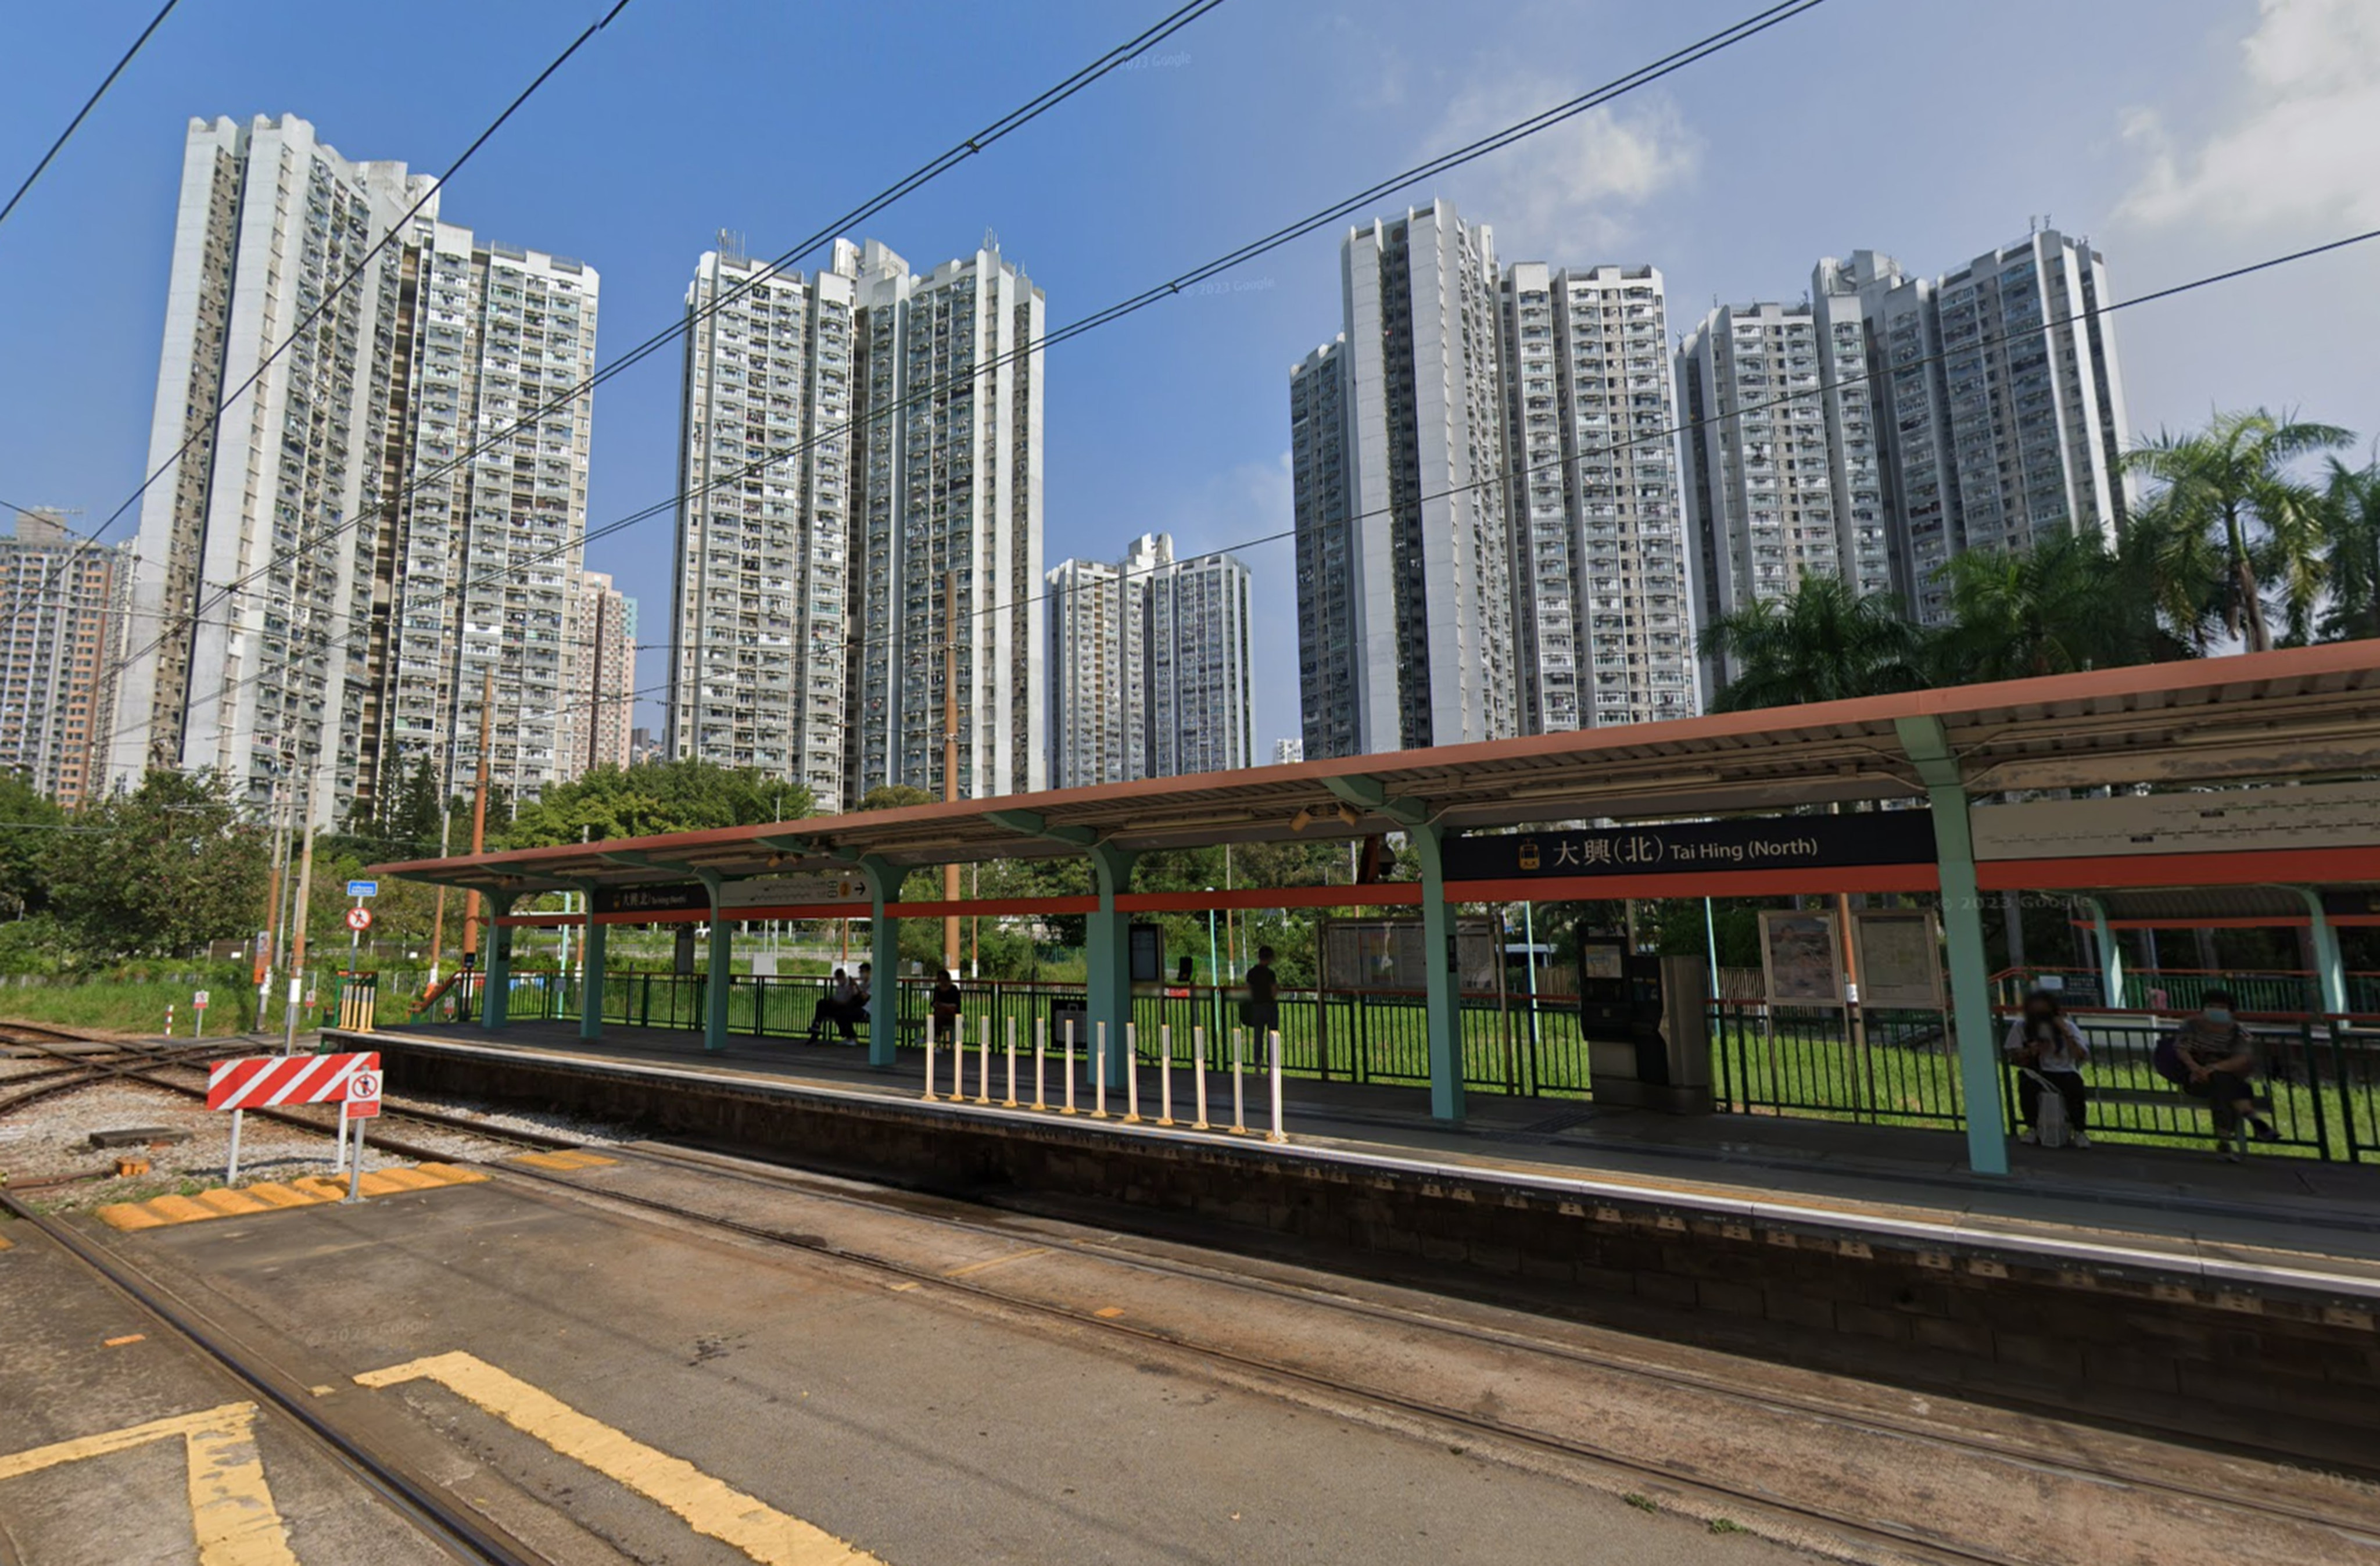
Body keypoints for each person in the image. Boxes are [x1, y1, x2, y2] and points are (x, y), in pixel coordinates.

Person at [2169, 988, 2280, 1145]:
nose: (2215, 1010)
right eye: (2211, 1005)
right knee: (2228, 1086)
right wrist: (2196, 1068)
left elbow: (2243, 1057)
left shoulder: (2237, 1030)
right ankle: (2253, 1120)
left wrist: (2214, 1068)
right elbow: (2181, 1049)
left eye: (2221, 1007)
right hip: (2196, 1079)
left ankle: (2224, 1141)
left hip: (2223, 1077)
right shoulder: (2191, 1025)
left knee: (2221, 1087)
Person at [2002, 989, 2089, 1147]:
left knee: (2074, 1086)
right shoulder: (2021, 1027)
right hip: (2038, 1072)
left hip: (2065, 1071)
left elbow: (2081, 1055)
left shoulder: (2068, 1027)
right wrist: (2031, 1051)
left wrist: (2066, 1034)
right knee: (2026, 1082)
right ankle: (2032, 1128)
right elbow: (2013, 1056)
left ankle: (2079, 1130)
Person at [1241, 946, 1280, 1043]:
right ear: (1270, 958)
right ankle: (1272, 1057)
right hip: (1269, 1006)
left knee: (1258, 1036)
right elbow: (1274, 991)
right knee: (1273, 1034)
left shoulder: (1251, 973)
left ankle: (1258, 1058)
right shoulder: (1270, 974)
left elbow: (1247, 989)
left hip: (1256, 1006)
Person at [809, 967, 856, 1044]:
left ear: (843, 977)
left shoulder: (851, 986)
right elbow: (838, 997)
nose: (838, 981)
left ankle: (816, 1024)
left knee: (840, 1014)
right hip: (838, 1005)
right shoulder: (839, 987)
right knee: (821, 1003)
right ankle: (816, 1024)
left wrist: (837, 1002)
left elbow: (849, 1000)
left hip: (846, 1007)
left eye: (838, 978)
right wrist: (833, 1000)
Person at [930, 967, 962, 1042]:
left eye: (944, 979)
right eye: (940, 980)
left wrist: (944, 1005)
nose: (942, 982)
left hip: (952, 1014)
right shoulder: (937, 989)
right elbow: (934, 1002)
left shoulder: (954, 989)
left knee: (938, 1016)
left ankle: (929, 1038)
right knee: (938, 1017)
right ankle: (937, 1041)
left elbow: (956, 1005)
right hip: (940, 1015)